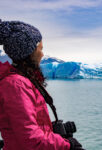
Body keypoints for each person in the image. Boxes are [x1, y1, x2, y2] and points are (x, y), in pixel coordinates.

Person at [0, 19, 85, 150]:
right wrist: (68, 145)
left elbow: (26, 126)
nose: (42, 54)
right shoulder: (16, 85)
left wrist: (55, 131)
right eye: (40, 49)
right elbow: (30, 139)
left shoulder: (22, 81)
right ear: (28, 52)